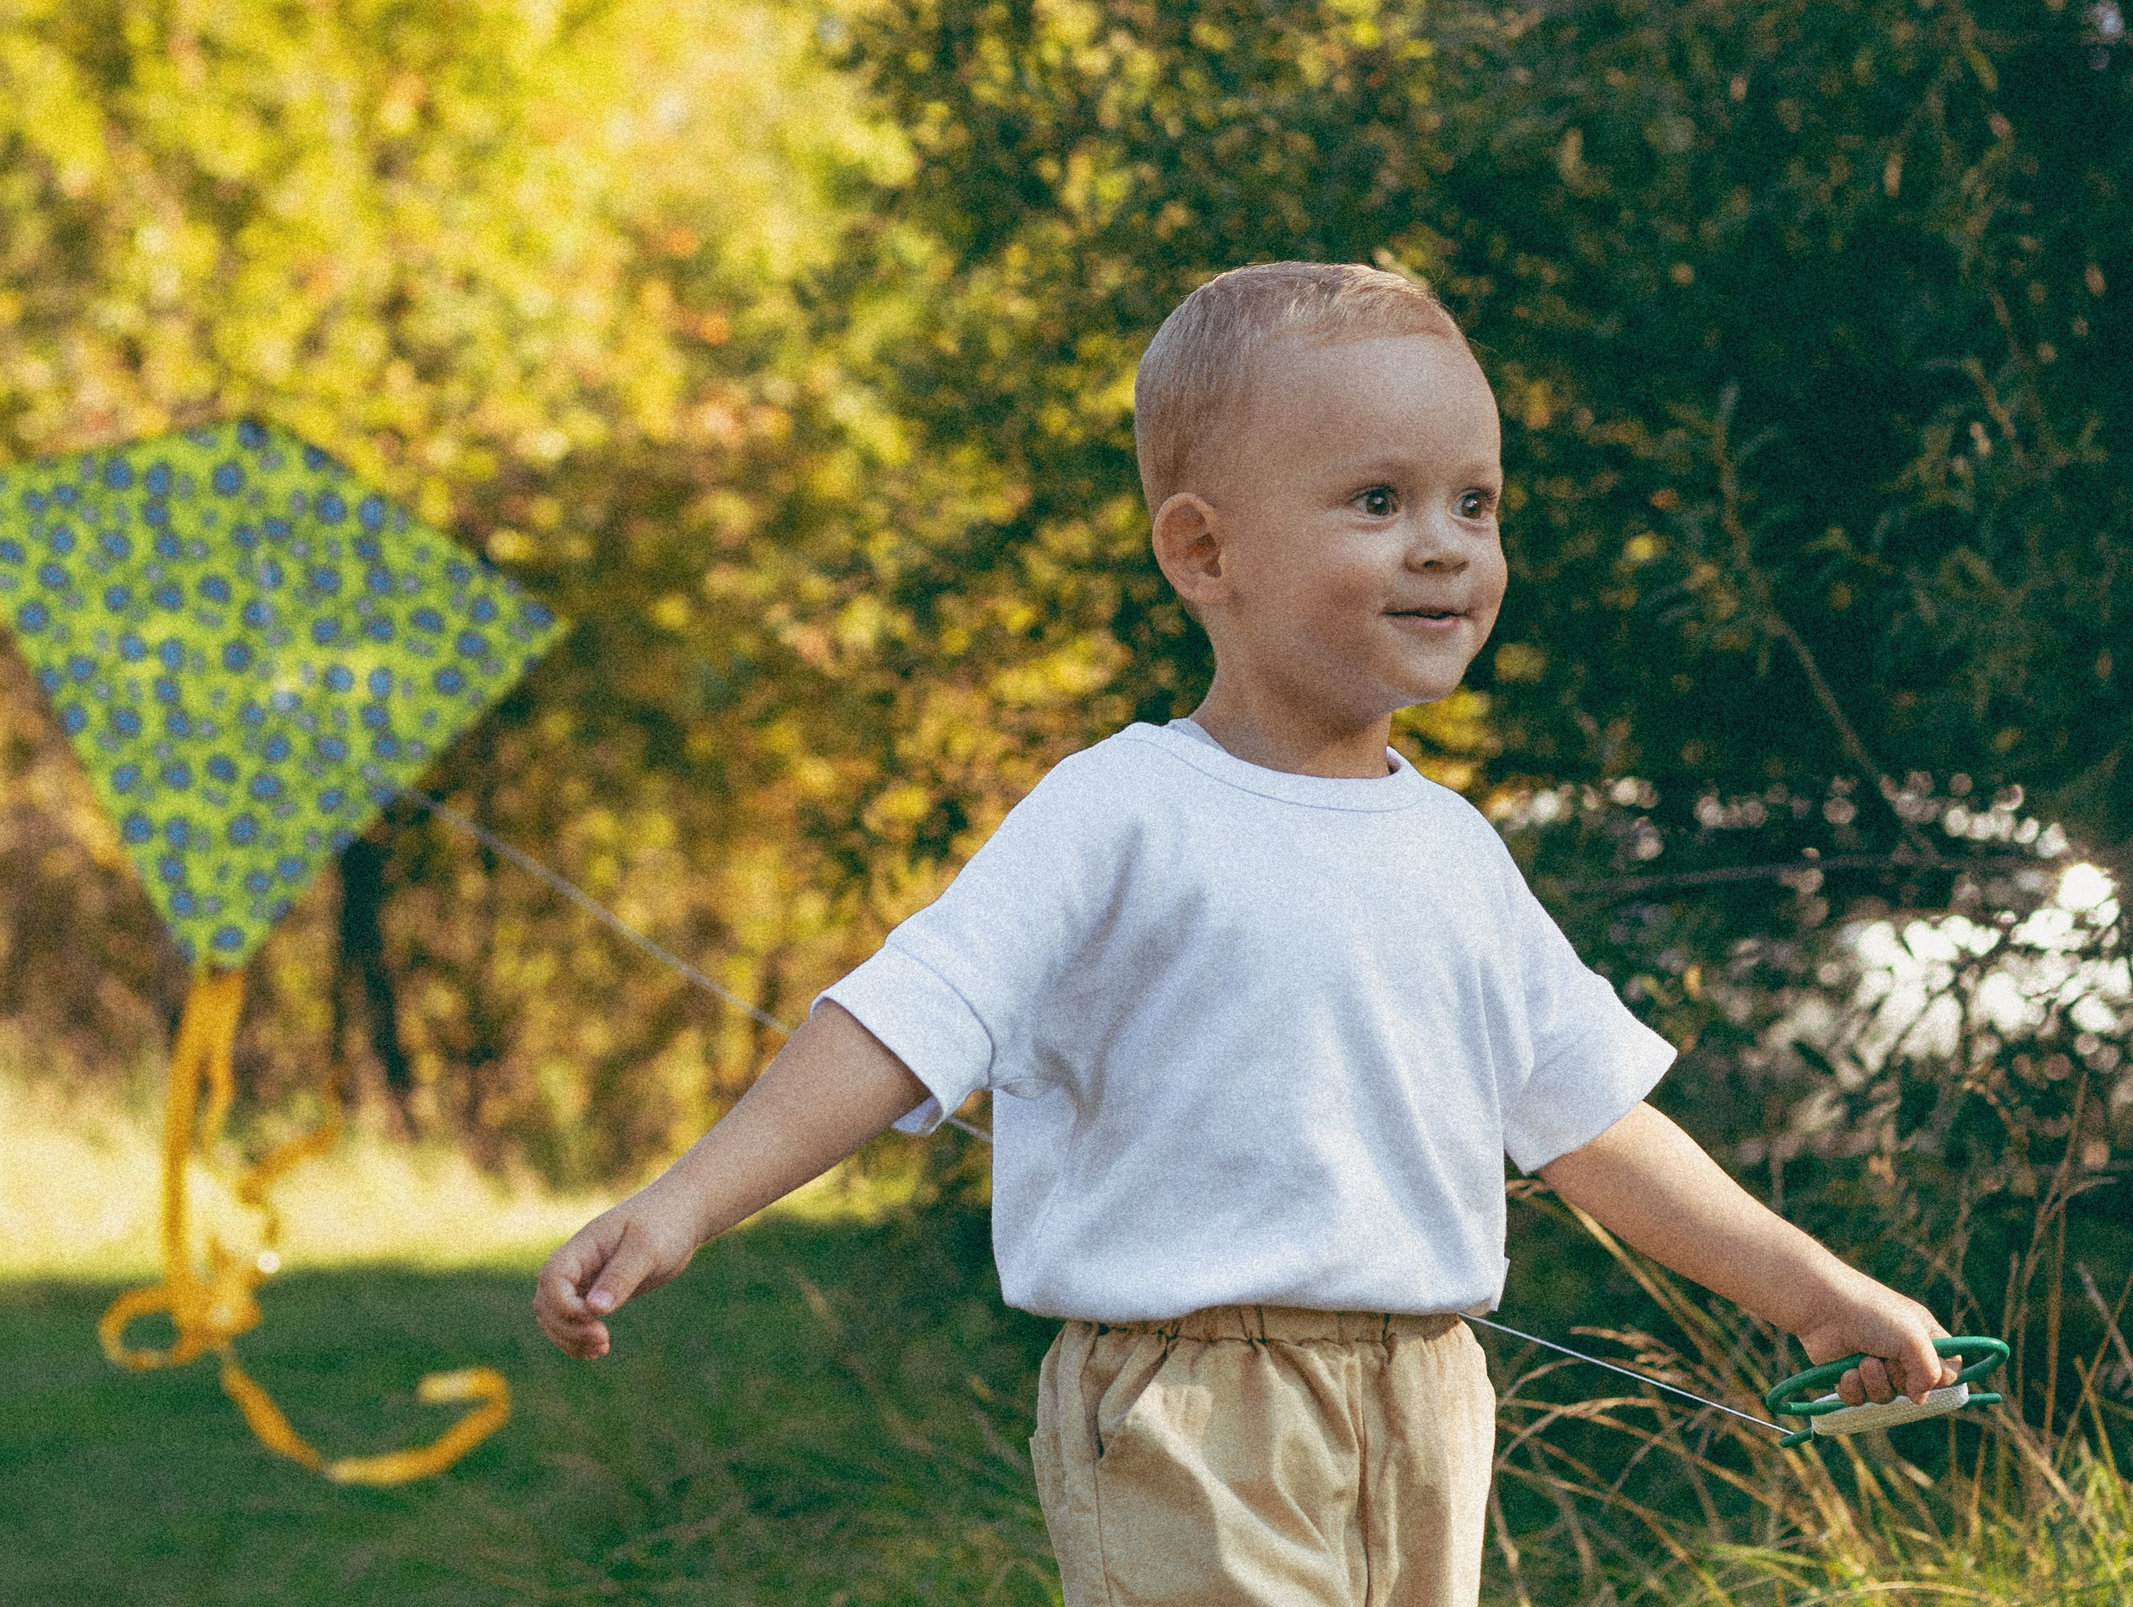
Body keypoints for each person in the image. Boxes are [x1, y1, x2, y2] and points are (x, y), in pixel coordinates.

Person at [533, 261, 1956, 1605]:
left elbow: (1590, 1123)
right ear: (1205, 550)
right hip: (1188, 1406)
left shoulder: (1455, 852)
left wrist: (1810, 1289)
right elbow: (905, 1022)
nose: (1446, 548)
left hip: (1426, 1400)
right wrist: (684, 1203)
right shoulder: (1120, 814)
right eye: (1382, 498)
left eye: (1477, 503)